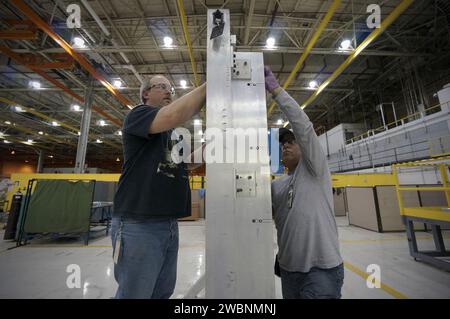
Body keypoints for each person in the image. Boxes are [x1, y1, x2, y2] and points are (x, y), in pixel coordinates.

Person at [111, 75, 206, 299]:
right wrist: (210, 84)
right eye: (161, 87)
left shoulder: (171, 135)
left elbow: (186, 163)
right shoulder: (138, 115)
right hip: (139, 223)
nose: (169, 92)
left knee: (161, 293)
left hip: (168, 224)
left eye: (170, 88)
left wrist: (213, 144)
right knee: (136, 294)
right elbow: (173, 114)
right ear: (146, 94)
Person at [265, 66, 344, 299]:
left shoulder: (314, 171)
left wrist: (277, 91)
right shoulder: (276, 186)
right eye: (282, 143)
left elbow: (304, 128)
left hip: (321, 273)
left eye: (291, 141)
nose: (286, 145)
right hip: (289, 272)